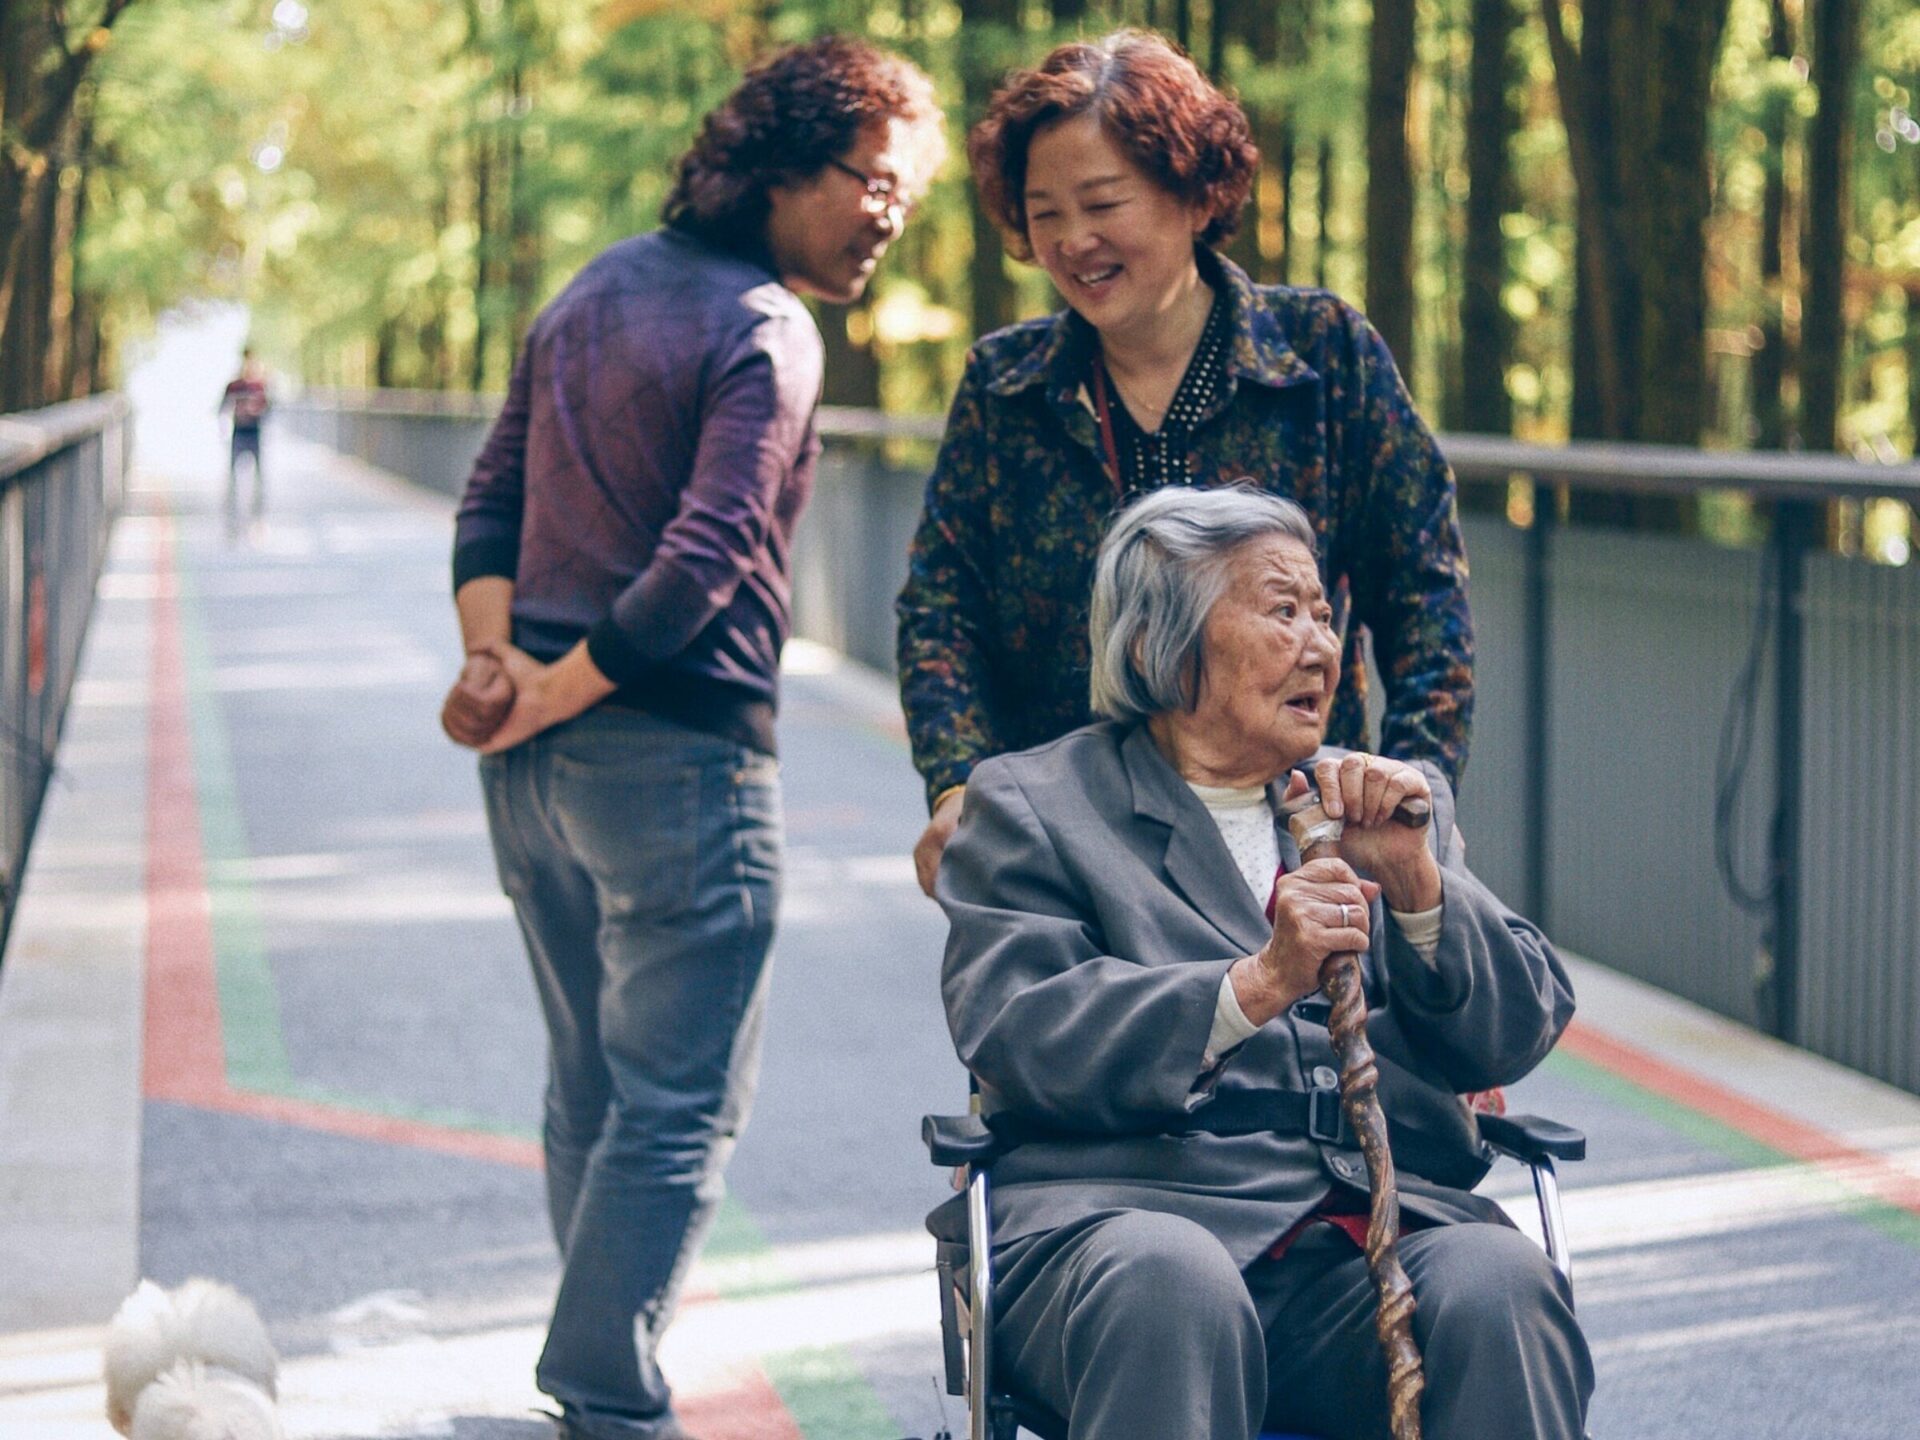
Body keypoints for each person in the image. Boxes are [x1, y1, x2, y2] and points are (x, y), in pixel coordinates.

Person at [443, 37, 945, 1440]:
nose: (890, 215)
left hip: (535, 768)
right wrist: (545, 684)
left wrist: (501, 668)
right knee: (678, 1110)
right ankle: (606, 1389)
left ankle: (597, 1368)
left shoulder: (591, 288)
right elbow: (708, 555)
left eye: (907, 198)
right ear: (789, 163)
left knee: (592, 1088)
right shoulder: (771, 328)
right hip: (673, 761)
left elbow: (490, 503)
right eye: (876, 182)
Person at [936, 485, 1590, 1440]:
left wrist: (1416, 884)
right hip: (1121, 1231)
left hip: (1358, 1250)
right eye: (1283, 612)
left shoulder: (1384, 807)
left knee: (1501, 1285)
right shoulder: (1035, 805)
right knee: (1173, 1283)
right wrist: (1253, 988)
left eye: (1325, 616)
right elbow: (1018, 1028)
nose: (1322, 647)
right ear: (1168, 641)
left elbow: (1517, 1029)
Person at [897, 30, 1473, 896]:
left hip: (1297, 846)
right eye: (1044, 211)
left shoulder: (1325, 356)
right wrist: (958, 782)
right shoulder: (1003, 388)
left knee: (1303, 1032)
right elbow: (943, 610)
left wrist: (1412, 793)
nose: (1072, 240)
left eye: (1103, 202)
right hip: (1070, 851)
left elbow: (1425, 595)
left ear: (1197, 195)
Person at [218, 349, 270, 535]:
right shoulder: (234, 386)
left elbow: (268, 409)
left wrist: (256, 410)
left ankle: (257, 521)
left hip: (254, 433)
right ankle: (231, 521)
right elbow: (222, 408)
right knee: (232, 478)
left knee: (258, 478)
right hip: (238, 433)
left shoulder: (259, 386)